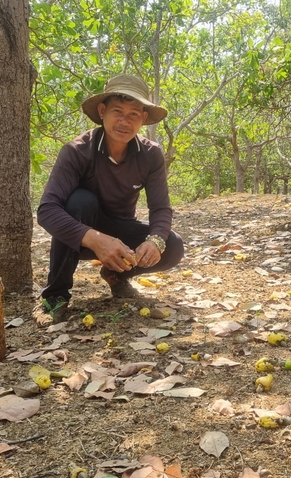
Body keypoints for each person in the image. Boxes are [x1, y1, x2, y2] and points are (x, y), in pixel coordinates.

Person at [36, 74, 184, 321]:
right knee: (81, 201)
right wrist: (94, 239)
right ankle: (55, 295)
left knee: (173, 245)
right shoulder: (77, 151)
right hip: (79, 235)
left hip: (120, 230)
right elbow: (47, 210)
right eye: (118, 111)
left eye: (134, 114)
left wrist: (155, 241)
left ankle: (117, 275)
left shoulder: (151, 154)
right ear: (102, 111)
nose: (124, 121)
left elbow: (161, 208)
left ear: (144, 119)